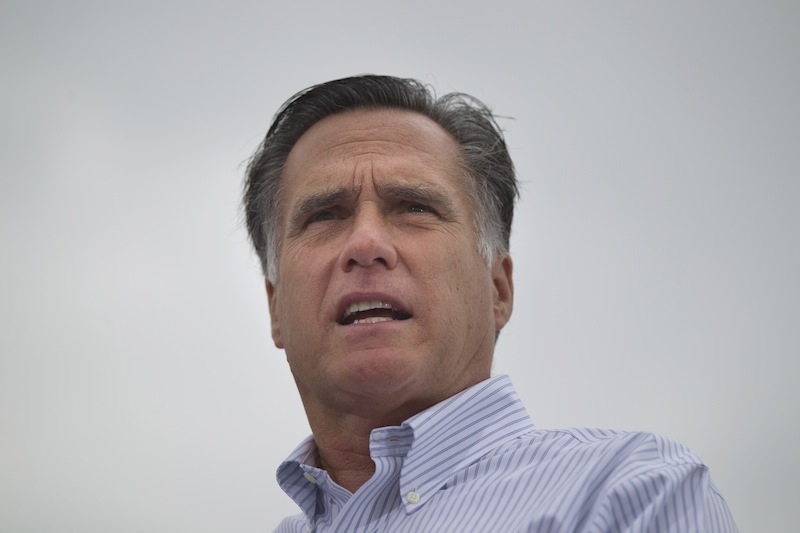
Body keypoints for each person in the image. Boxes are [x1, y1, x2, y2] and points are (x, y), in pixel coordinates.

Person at [243, 75, 738, 532]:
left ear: (498, 289)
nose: (366, 242)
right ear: (275, 309)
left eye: (415, 208)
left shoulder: (629, 494)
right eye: (325, 215)